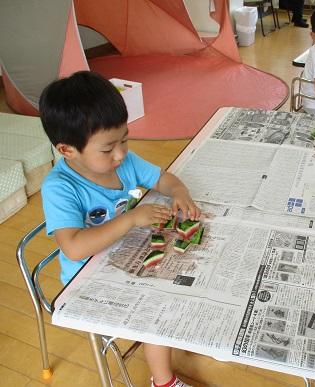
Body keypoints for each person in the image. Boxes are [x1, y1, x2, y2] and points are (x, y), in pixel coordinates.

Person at [39, 71, 201, 387]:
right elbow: (73, 247)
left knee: (184, 268)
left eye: (125, 139)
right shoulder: (59, 187)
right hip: (84, 277)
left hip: (124, 251)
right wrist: (130, 219)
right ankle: (163, 382)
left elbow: (162, 178)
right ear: (67, 150)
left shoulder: (121, 162)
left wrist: (180, 192)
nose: (121, 153)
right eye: (108, 148)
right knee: (154, 304)